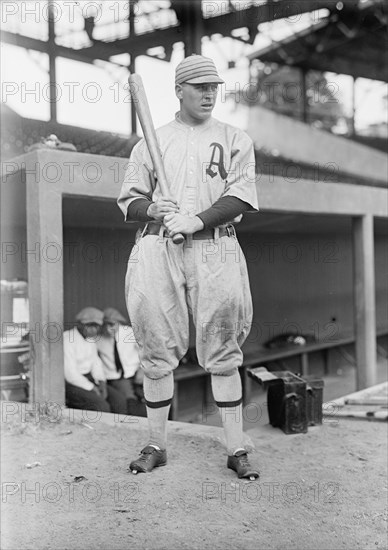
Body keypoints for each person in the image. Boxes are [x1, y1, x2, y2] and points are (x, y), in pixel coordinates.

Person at [118, 55, 259, 479]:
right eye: (200, 86)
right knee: (156, 348)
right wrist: (154, 209)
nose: (210, 93)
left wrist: (195, 219)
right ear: (179, 90)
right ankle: (156, 443)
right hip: (158, 248)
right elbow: (129, 201)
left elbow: (242, 196)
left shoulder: (236, 137)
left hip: (215, 248)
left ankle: (235, 447)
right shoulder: (151, 141)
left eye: (214, 85)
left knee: (223, 350)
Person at [63, 307, 127, 414]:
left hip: (90, 379)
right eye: (89, 325)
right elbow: (70, 374)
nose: (93, 329)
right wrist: (92, 387)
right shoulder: (67, 339)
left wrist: (101, 382)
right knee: (101, 406)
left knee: (119, 401)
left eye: (96, 326)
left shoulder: (91, 339)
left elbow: (96, 362)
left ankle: (117, 430)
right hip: (72, 384)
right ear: (79, 324)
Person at [97, 307, 144, 410]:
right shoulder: (98, 339)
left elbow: (145, 351)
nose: (109, 329)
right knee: (129, 402)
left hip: (135, 372)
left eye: (112, 324)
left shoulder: (130, 333)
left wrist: (142, 369)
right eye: (105, 325)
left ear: (119, 322)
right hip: (115, 377)